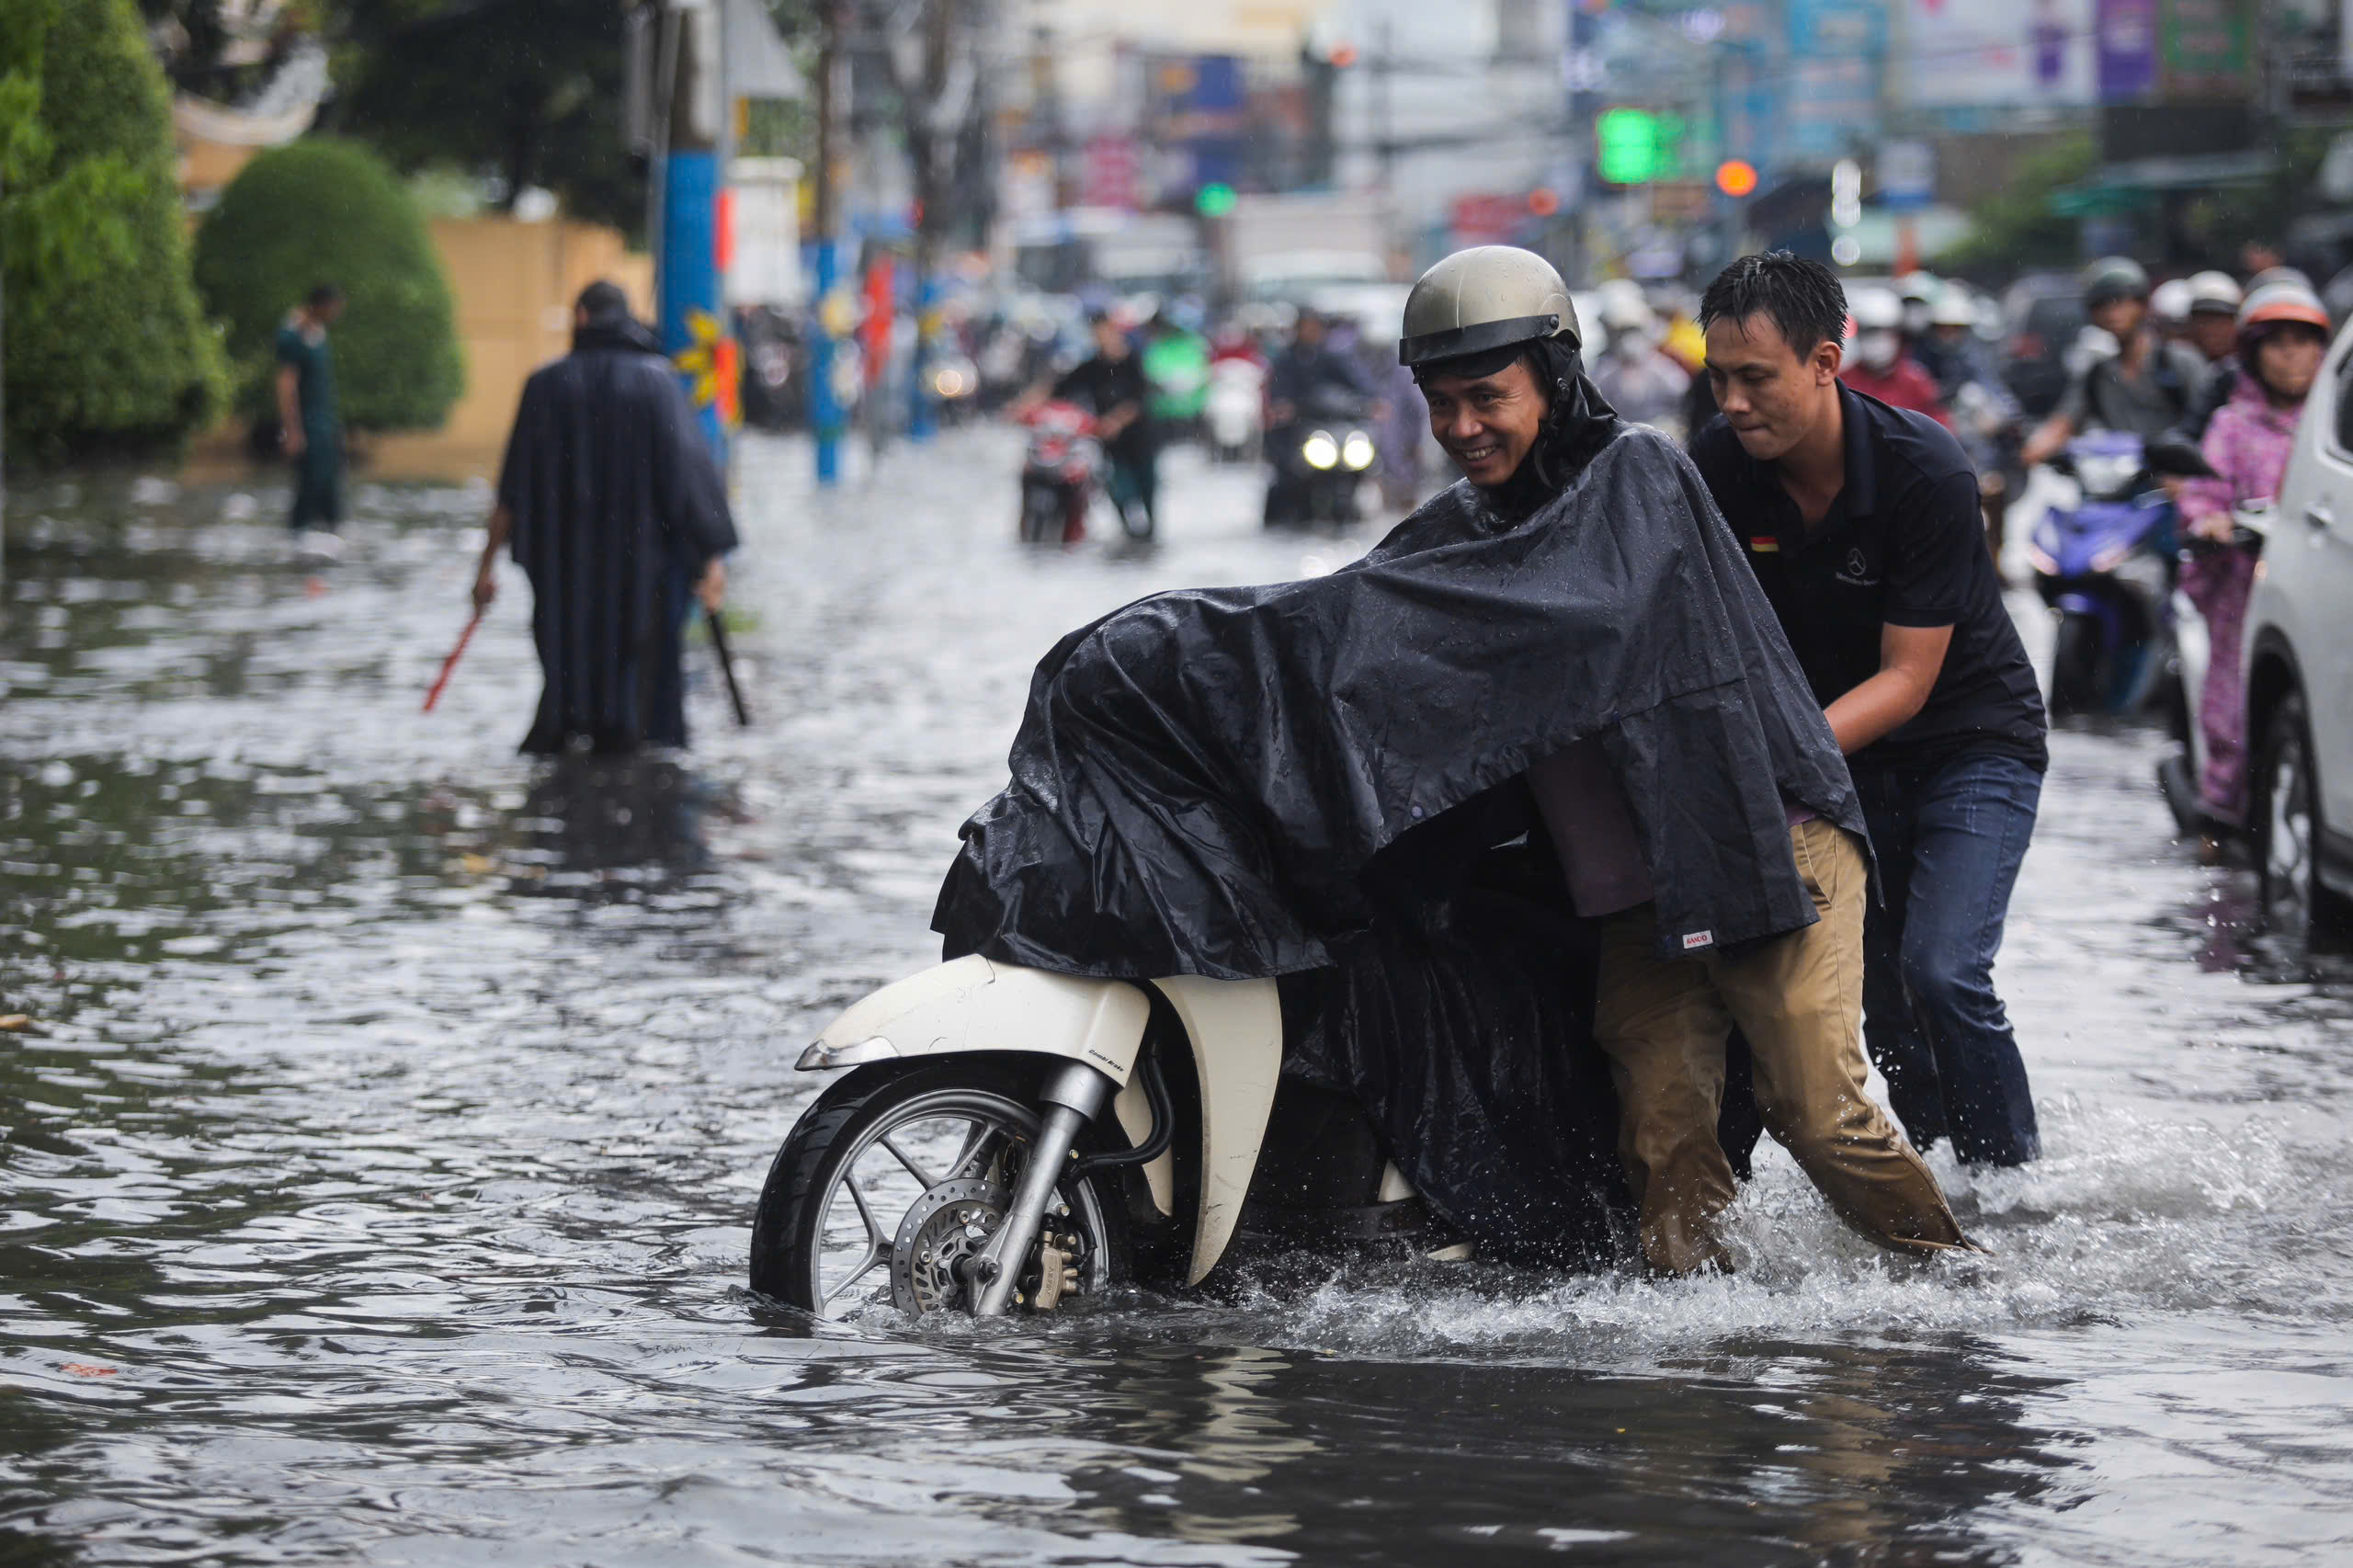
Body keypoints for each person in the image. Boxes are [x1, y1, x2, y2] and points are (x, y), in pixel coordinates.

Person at [1402, 246, 1973, 1274]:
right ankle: (1691, 1350)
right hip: (1635, 886)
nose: (1461, 427)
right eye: (1440, 404)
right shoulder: (1460, 531)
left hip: (1770, 838)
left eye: (1486, 396)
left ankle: (1958, 1282)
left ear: (1555, 379)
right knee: (1661, 1137)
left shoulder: (1640, 479)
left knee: (1816, 1110)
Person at [1692, 251, 2048, 1170]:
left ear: (1824, 361)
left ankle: (2009, 1184)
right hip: (1843, 758)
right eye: (1718, 377)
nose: (1733, 401)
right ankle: (1930, 1179)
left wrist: (1770, 771)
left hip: (1971, 740)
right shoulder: (1719, 469)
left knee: (1942, 968)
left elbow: (1907, 677)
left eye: (1755, 378)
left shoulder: (1922, 467)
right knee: (1884, 993)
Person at [472, 281, 736, 755]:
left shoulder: (544, 385)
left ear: (581, 317)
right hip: (644, 574)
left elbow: (510, 490)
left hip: (562, 573)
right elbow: (692, 480)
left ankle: (567, 763)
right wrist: (712, 558)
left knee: (566, 677)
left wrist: (485, 568)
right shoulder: (659, 384)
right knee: (645, 698)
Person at [2176, 279, 2332, 836]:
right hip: (2246, 590)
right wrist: (2211, 520)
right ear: (2254, 354)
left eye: (2303, 341)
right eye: (2277, 342)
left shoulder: (2335, 427)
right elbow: (2202, 494)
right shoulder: (2232, 425)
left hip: (2326, 589)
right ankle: (2219, 823)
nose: (2291, 355)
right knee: (2230, 710)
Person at [2021, 257, 2206, 465]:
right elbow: (2062, 423)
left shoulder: (2179, 360)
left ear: (2142, 305)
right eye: (2102, 304)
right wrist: (2031, 452)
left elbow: (2209, 427)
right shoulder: (2097, 373)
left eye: (2120, 301)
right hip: (2121, 481)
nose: (2112, 313)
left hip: (2181, 480)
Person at [1915, 287, 2025, 568]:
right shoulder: (1921, 364)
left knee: (1995, 489)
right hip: (1937, 451)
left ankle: (1996, 561)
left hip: (1978, 455)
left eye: (1956, 329)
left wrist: (2005, 418)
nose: (1949, 336)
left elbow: (2001, 399)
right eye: (1943, 329)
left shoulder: (1977, 359)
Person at [1033, 310, 1156, 532]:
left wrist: (1116, 421)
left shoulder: (1135, 361)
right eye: (1097, 334)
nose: (1102, 339)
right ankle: (1129, 533)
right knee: (1118, 490)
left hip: (1141, 439)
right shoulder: (1091, 367)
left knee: (1147, 490)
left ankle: (1150, 534)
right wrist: (1027, 404)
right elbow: (1059, 388)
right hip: (1111, 444)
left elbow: (1141, 397)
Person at [1264, 306, 1380, 525]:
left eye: (1315, 327)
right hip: (1299, 427)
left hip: (1333, 426)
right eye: (1307, 327)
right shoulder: (1286, 360)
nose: (1312, 332)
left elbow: (1358, 384)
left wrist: (1372, 402)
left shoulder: (1333, 357)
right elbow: (1278, 392)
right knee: (1288, 469)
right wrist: (1286, 407)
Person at [276, 282, 346, 546]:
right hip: (307, 423)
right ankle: (297, 535)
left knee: (331, 480)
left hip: (326, 422)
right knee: (309, 482)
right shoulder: (292, 335)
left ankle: (331, 531)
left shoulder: (319, 333)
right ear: (320, 305)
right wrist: (292, 430)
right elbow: (286, 384)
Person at [1839, 288, 1949, 426]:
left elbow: (1940, 428)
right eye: (1869, 332)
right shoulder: (1842, 382)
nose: (1876, 341)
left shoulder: (1916, 381)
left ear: (1898, 335)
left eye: (1884, 333)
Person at [1590, 292, 1693, 436]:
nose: (1628, 339)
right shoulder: (1604, 370)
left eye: (1633, 330)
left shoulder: (1663, 368)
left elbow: (1683, 400)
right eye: (1622, 332)